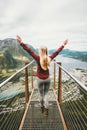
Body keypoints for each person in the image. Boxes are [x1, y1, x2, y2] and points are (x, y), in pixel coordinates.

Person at [17, 35, 68, 116]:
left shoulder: (37, 58)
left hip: (40, 79)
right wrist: (63, 44)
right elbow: (57, 52)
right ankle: (46, 109)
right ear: (47, 51)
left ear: (40, 51)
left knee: (41, 94)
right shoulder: (50, 58)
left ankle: (42, 107)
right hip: (47, 79)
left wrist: (21, 42)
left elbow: (29, 51)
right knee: (46, 94)